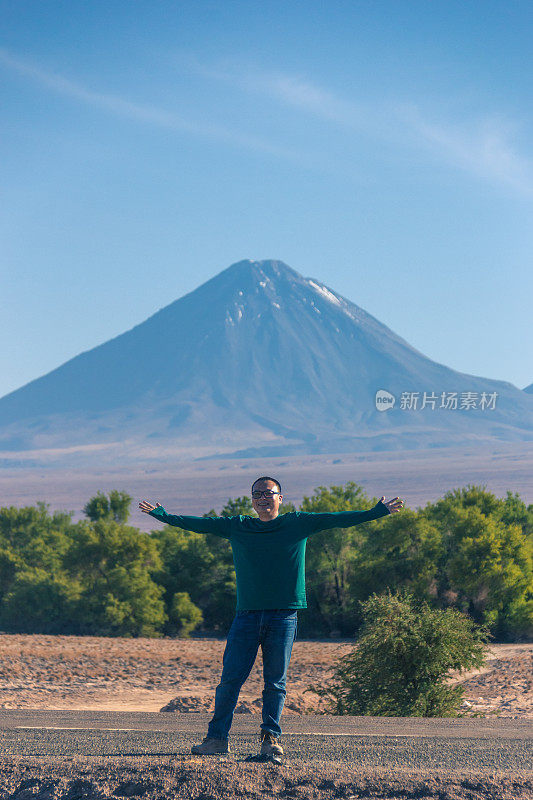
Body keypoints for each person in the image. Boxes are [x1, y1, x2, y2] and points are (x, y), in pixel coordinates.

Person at [139, 477, 404, 760]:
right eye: (257, 494)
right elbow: (200, 524)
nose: (263, 498)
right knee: (230, 680)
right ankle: (216, 740)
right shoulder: (238, 525)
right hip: (247, 617)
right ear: (252, 500)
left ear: (281, 498)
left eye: (269, 493)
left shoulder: (298, 523)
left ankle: (270, 741)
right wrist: (163, 516)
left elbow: (336, 519)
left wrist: (377, 512)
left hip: (284, 616)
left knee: (275, 682)